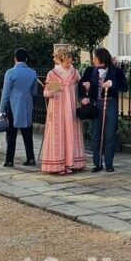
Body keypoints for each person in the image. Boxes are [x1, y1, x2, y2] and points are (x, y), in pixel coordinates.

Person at [81, 47, 129, 173]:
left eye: (95, 58)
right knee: (96, 135)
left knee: (110, 134)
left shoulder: (116, 71)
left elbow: (125, 86)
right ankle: (97, 163)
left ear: (101, 59)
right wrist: (84, 95)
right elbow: (81, 86)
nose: (93, 60)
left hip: (111, 104)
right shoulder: (90, 70)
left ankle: (109, 163)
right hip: (96, 104)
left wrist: (112, 84)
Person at [42, 45, 85, 175]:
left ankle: (70, 162)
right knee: (59, 135)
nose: (69, 64)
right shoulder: (52, 74)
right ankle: (59, 164)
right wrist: (54, 89)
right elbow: (46, 93)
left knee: (70, 133)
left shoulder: (74, 72)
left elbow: (81, 86)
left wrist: (85, 87)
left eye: (70, 61)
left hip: (71, 108)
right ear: (59, 60)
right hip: (57, 110)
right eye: (66, 62)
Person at [0, 48, 40, 168]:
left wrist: (1, 110)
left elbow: (5, 93)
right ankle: (30, 158)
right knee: (27, 132)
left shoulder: (10, 72)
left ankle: (9, 160)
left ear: (15, 58)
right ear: (26, 59)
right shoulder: (32, 72)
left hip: (13, 104)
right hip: (27, 104)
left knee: (11, 134)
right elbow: (34, 91)